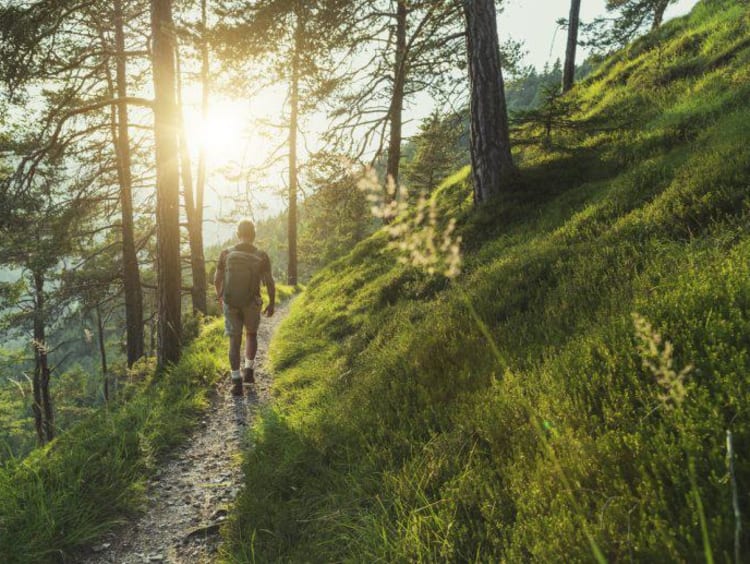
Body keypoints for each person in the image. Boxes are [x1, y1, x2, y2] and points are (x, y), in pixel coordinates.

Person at [214, 219, 275, 396]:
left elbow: (217, 279)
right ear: (253, 235)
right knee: (251, 334)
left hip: (230, 302)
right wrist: (271, 302)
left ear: (237, 234)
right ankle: (248, 371)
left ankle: (236, 382)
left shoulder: (225, 253)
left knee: (234, 340)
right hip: (251, 302)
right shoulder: (261, 255)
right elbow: (269, 282)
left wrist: (221, 297)